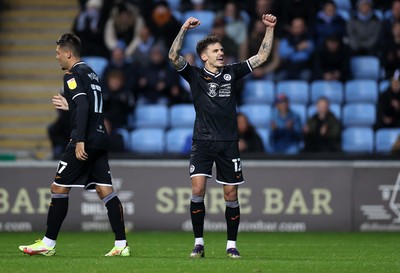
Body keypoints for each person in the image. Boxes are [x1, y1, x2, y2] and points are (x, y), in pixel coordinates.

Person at [169, 14, 277, 258]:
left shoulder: (232, 72)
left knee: (231, 194)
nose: (221, 53)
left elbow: (261, 57)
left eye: (221, 50)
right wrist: (184, 28)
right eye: (215, 50)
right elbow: (173, 57)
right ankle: (199, 243)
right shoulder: (194, 75)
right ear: (204, 56)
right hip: (202, 142)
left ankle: (231, 245)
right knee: (197, 190)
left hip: (228, 143)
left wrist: (269, 29)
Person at [18, 33, 130, 257]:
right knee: (105, 190)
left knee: (58, 189)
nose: (57, 57)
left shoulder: (72, 75)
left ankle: (48, 244)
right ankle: (121, 245)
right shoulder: (92, 73)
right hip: (100, 136)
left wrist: (79, 140)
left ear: (68, 53)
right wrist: (71, 106)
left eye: (58, 53)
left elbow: (83, 104)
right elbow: (88, 105)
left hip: (85, 139)